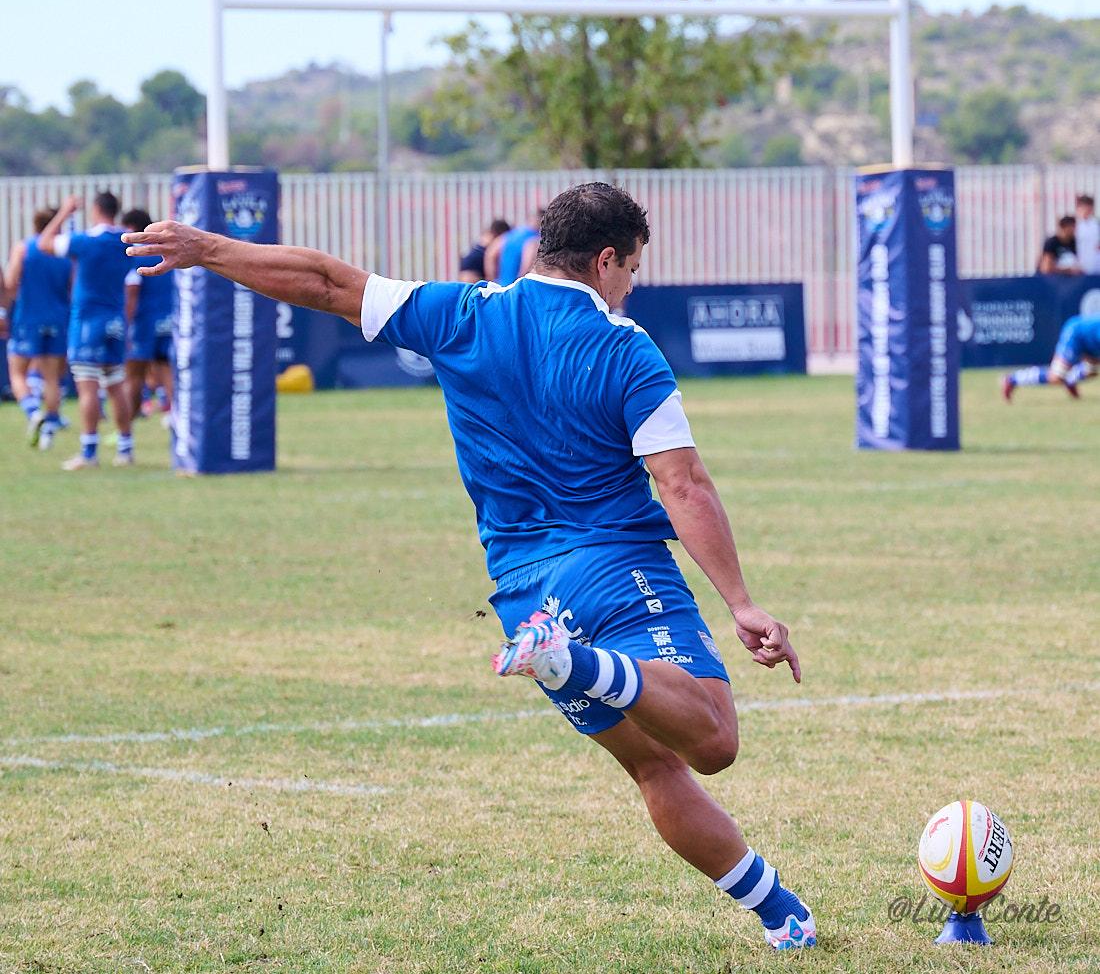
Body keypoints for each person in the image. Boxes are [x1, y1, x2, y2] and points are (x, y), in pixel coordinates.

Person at [124, 182, 814, 953]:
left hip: (524, 595)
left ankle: (784, 915)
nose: (631, 286)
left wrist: (207, 249)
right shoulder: (625, 345)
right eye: (632, 269)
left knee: (656, 769)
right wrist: (741, 601)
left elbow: (325, 281)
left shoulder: (463, 314)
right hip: (614, 570)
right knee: (712, 741)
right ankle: (580, 663)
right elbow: (681, 482)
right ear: (607, 258)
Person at [38, 192, 135, 470]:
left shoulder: (85, 241)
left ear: (95, 209)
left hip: (88, 321)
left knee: (88, 387)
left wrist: (65, 212)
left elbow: (44, 243)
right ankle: (125, 449)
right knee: (116, 385)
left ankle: (89, 453)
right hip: (115, 319)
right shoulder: (123, 241)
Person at [3, 207, 72, 449]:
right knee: (52, 377)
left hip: (28, 318)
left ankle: (33, 412)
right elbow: (72, 287)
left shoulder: (24, 248)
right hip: (58, 318)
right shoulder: (64, 254)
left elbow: (11, 283)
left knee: (17, 372)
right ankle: (49, 432)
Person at [122, 208, 173, 420]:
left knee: (133, 375)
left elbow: (132, 293)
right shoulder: (167, 252)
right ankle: (178, 417)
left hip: (144, 322)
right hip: (168, 320)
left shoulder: (134, 256)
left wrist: (125, 325)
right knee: (167, 370)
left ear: (131, 229)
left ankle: (127, 427)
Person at [1001, 314, 1100, 401]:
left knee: (1091, 372)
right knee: (1055, 377)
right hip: (1076, 334)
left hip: (1091, 342)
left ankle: (1069, 379)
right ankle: (1012, 379)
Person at [495, 209, 542, 286]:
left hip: (502, 283)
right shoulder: (535, 238)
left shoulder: (511, 234)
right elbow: (527, 262)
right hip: (517, 285)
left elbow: (491, 254)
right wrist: (521, 280)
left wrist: (492, 277)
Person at [458, 219, 511, 283]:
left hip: (470, 271)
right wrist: (492, 280)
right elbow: (491, 256)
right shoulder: (495, 242)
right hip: (475, 275)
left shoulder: (482, 243)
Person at [1074, 195, 1100, 275]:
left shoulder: (1097, 224)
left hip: (1097, 267)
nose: (1085, 211)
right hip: (1081, 268)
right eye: (1082, 208)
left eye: (1087, 208)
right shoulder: (1075, 226)